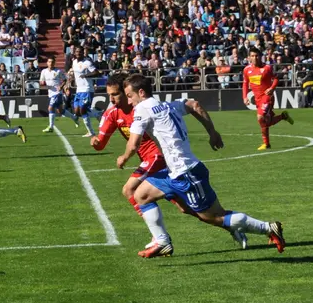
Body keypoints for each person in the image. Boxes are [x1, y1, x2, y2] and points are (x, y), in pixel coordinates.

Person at [116, 74, 286, 257]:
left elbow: (133, 144)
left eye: (129, 95)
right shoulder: (167, 105)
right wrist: (212, 132)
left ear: (141, 92)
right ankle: (162, 242)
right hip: (174, 171)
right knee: (141, 195)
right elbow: (194, 105)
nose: (129, 100)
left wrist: (123, 158)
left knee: (214, 216)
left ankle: (268, 228)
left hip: (186, 172)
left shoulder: (142, 108)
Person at [243, 47, 294, 150]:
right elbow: (245, 84)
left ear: (260, 56)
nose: (255, 58)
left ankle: (266, 144)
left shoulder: (267, 68)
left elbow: (275, 79)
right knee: (267, 122)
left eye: (257, 56)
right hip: (257, 99)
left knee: (260, 117)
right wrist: (244, 97)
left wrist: (271, 88)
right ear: (249, 58)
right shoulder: (247, 70)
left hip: (267, 97)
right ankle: (283, 116)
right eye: (252, 56)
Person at [72, 46, 101, 137]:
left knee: (82, 109)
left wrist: (86, 76)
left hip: (87, 89)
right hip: (79, 90)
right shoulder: (74, 62)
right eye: (77, 51)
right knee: (77, 111)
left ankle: (91, 132)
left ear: (83, 53)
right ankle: (96, 114)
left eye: (80, 52)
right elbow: (75, 74)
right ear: (75, 52)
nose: (78, 53)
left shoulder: (87, 62)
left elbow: (96, 72)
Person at [40, 56, 72, 132]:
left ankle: (51, 127)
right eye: (49, 62)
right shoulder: (44, 71)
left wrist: (61, 87)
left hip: (57, 93)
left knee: (50, 108)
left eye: (52, 62)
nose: (51, 63)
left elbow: (64, 80)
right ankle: (74, 118)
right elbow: (41, 82)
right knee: (60, 111)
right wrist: (42, 83)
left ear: (54, 63)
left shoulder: (58, 71)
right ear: (47, 63)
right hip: (50, 93)